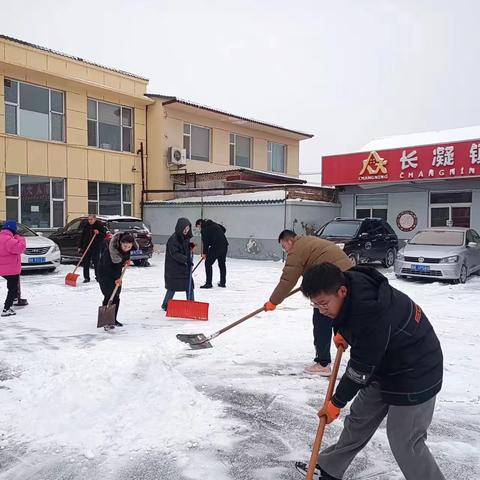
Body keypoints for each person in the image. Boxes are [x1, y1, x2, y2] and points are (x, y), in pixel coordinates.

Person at [296, 263, 445, 480]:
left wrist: (336, 402)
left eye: (324, 304)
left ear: (342, 291)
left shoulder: (370, 315)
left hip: (417, 370)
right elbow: (350, 319)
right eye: (315, 306)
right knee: (359, 419)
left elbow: (359, 369)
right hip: (386, 362)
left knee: (404, 439)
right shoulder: (351, 284)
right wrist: (345, 332)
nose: (322, 310)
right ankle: (329, 468)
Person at [263, 230, 352, 375]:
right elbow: (315, 264)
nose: (285, 250)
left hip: (331, 282)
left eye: (284, 246)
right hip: (347, 278)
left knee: (321, 318)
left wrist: (273, 301)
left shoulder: (296, 250)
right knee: (342, 315)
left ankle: (322, 363)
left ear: (290, 241)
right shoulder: (308, 242)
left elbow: (287, 280)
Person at [97, 231, 136, 328]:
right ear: (120, 244)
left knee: (116, 296)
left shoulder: (126, 250)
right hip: (104, 274)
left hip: (117, 275)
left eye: (129, 247)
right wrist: (116, 278)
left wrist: (125, 262)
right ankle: (106, 321)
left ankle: (113, 319)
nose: (126, 249)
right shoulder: (111, 252)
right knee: (109, 295)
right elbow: (107, 267)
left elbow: (120, 263)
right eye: (125, 246)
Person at [162, 218, 195, 311]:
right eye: (184, 229)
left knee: (189, 286)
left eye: (188, 228)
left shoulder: (186, 238)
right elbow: (175, 253)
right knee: (173, 287)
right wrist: (186, 259)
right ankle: (165, 304)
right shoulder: (173, 240)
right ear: (180, 228)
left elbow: (184, 249)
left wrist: (189, 246)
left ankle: (191, 303)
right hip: (174, 268)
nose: (186, 231)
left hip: (185, 267)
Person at [0, 221, 26, 317]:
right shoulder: (9, 240)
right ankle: (6, 309)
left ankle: (14, 298)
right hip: (11, 269)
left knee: (10, 284)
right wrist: (20, 238)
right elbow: (21, 248)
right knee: (13, 288)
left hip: (2, 269)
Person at [195, 218, 228, 289]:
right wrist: (217, 235)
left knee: (208, 263)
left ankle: (208, 283)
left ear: (200, 223)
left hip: (216, 246)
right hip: (224, 245)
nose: (199, 228)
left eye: (198, 226)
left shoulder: (204, 229)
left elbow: (206, 242)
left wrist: (204, 253)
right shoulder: (214, 224)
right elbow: (224, 229)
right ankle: (223, 282)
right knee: (222, 264)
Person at [78, 214, 106, 283]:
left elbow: (104, 235)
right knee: (86, 263)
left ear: (95, 219)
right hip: (86, 247)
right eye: (88, 219)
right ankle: (86, 278)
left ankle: (98, 277)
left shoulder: (99, 225)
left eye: (91, 219)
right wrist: (80, 246)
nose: (89, 221)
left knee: (96, 262)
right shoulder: (86, 226)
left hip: (95, 247)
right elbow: (82, 236)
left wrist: (98, 233)